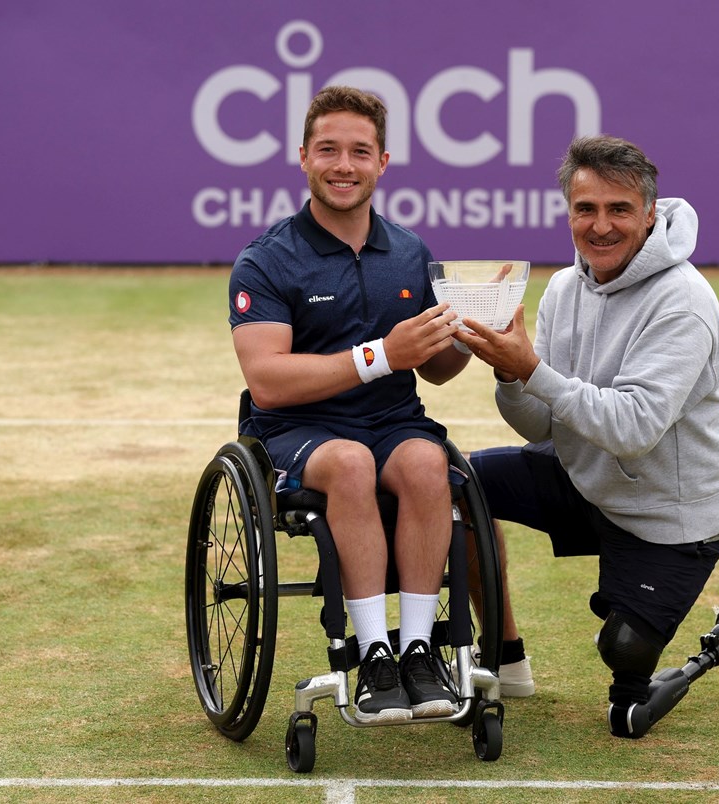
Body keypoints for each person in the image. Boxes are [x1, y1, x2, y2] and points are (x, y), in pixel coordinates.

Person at [455, 135, 719, 737]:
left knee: (624, 676)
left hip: (668, 518)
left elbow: (631, 429)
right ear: (568, 212)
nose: (600, 226)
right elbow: (540, 425)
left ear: (650, 214)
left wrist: (531, 369)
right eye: (586, 209)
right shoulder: (561, 289)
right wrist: (508, 372)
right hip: (585, 481)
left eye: (619, 210)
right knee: (449, 481)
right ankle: (503, 659)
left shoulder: (683, 302)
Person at [228, 86, 472, 723]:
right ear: (302, 156)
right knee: (351, 465)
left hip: (393, 421)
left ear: (383, 163)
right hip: (298, 429)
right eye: (329, 150)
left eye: (359, 152)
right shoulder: (265, 259)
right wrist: (382, 355)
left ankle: (418, 649)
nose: (344, 165)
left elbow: (439, 371)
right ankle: (372, 655)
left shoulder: (413, 252)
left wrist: (473, 336)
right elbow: (268, 383)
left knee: (427, 466)